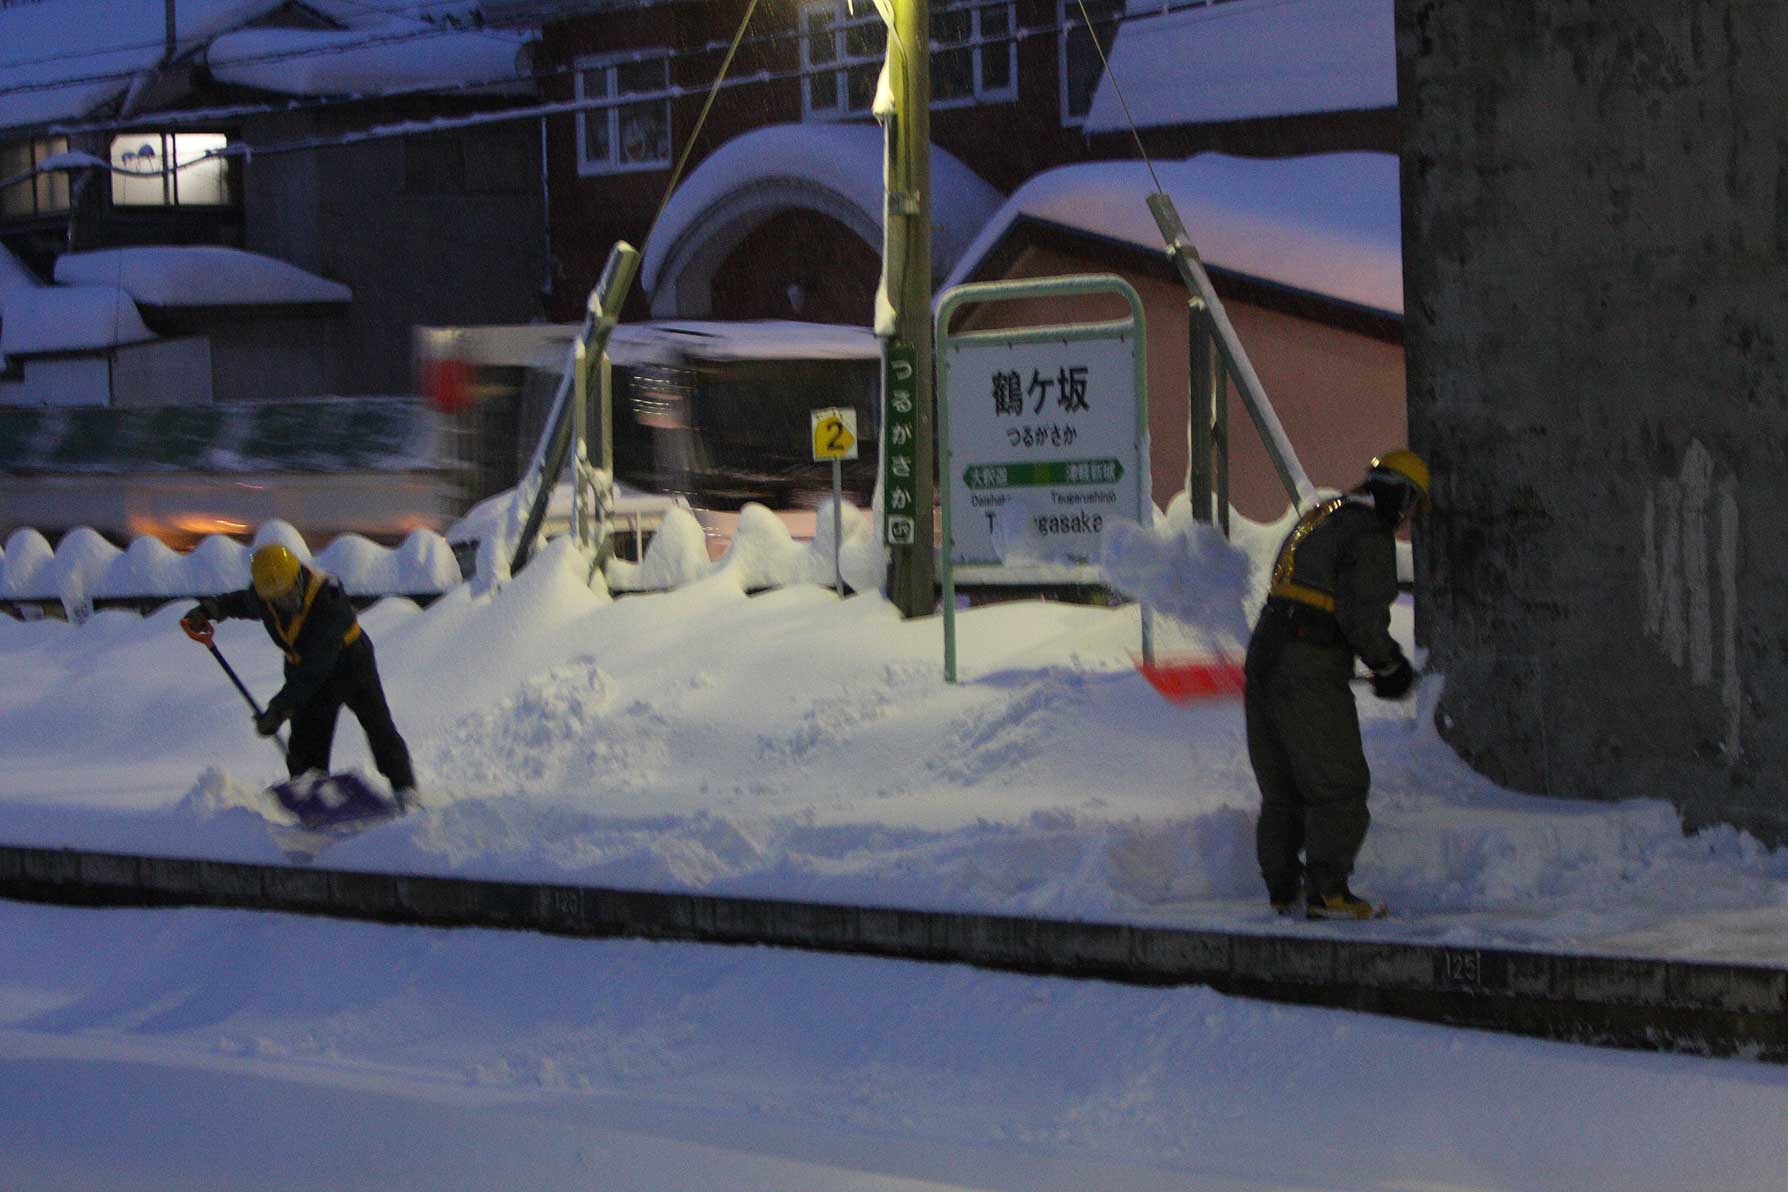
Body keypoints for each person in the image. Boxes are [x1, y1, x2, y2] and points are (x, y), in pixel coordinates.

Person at [1243, 449, 1429, 920]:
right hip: (1307, 662)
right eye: (1412, 507)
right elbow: (1360, 615)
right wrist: (1390, 666)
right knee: (1340, 784)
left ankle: (1283, 891)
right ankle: (1328, 892)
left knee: (1283, 788)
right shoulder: (1368, 533)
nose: (1408, 519)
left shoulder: (1324, 514)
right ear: (1402, 496)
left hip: (1266, 653)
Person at [183, 543, 418, 809]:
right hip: (306, 673)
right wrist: (211, 610)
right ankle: (313, 801)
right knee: (305, 745)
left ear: (298, 578)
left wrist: (278, 709)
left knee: (378, 727)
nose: (284, 603)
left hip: (351, 665)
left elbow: (314, 669)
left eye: (288, 594)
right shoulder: (269, 594)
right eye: (276, 599)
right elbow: (245, 602)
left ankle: (405, 791)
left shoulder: (328, 599)